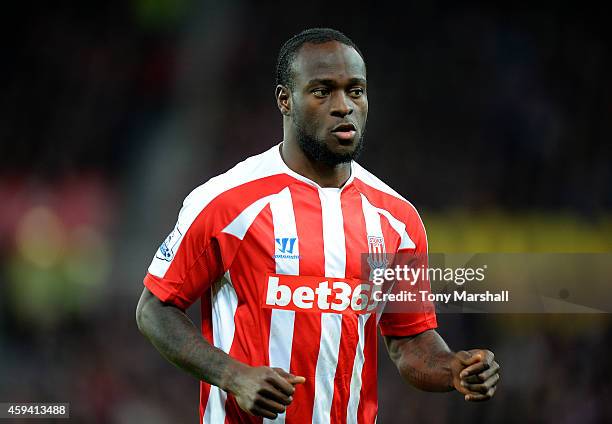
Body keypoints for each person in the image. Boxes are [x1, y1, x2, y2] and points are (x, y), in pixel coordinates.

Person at [136, 27, 500, 423]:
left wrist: (452, 368)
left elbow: (409, 340)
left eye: (355, 90)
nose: (344, 106)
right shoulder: (226, 202)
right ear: (285, 100)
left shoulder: (397, 219)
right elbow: (155, 309)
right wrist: (233, 375)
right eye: (323, 91)